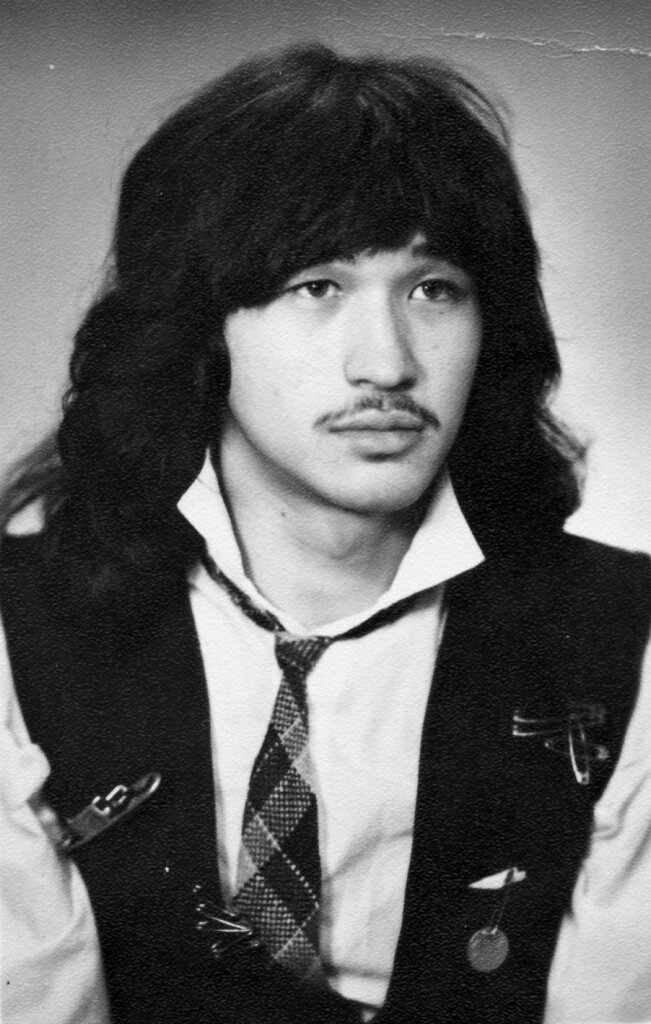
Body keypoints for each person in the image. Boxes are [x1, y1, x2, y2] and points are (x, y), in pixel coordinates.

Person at [0, 43, 649, 1024]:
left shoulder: (625, 639)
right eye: (317, 286)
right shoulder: (17, 631)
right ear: (199, 325)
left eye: (434, 288)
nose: (386, 363)